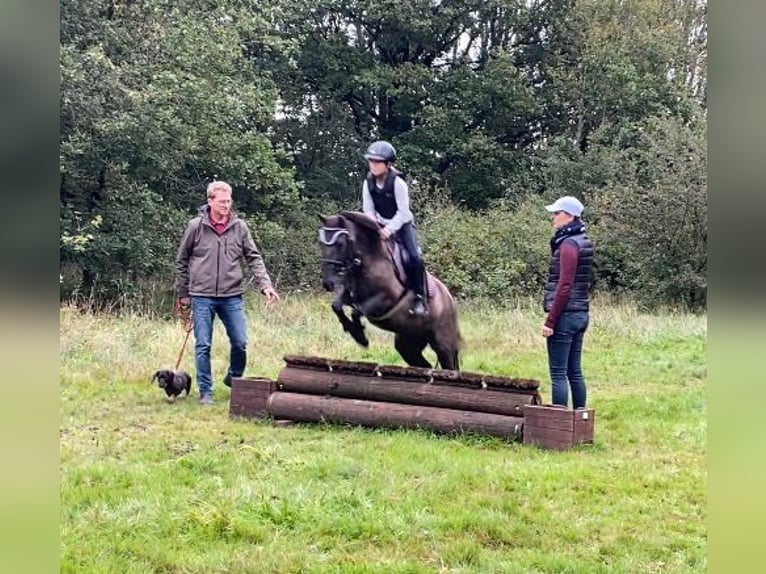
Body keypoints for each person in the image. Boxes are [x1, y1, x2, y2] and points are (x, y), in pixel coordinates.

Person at [175, 181, 280, 405]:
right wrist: (184, 294)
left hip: (231, 295)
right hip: (201, 295)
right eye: (222, 201)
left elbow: (254, 257)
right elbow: (182, 261)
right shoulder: (195, 227)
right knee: (203, 344)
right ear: (210, 201)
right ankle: (206, 392)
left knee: (240, 342)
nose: (226, 205)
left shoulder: (239, 227)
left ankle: (234, 378)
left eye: (228, 200)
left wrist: (266, 285)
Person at [361, 140, 427, 316]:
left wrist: (388, 230)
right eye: (371, 161)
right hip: (379, 225)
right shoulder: (367, 183)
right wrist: (375, 227)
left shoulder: (398, 183)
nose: (373, 165)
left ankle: (420, 298)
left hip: (403, 224)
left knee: (414, 258)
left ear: (388, 164)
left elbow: (404, 213)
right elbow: (368, 209)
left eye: (377, 162)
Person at [541, 195, 594, 409]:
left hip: (566, 315)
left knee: (558, 373)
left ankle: (559, 427)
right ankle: (581, 421)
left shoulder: (569, 245)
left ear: (570, 216)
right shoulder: (584, 240)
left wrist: (550, 322)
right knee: (575, 371)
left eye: (557, 213)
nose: (553, 218)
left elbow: (564, 286)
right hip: (581, 312)